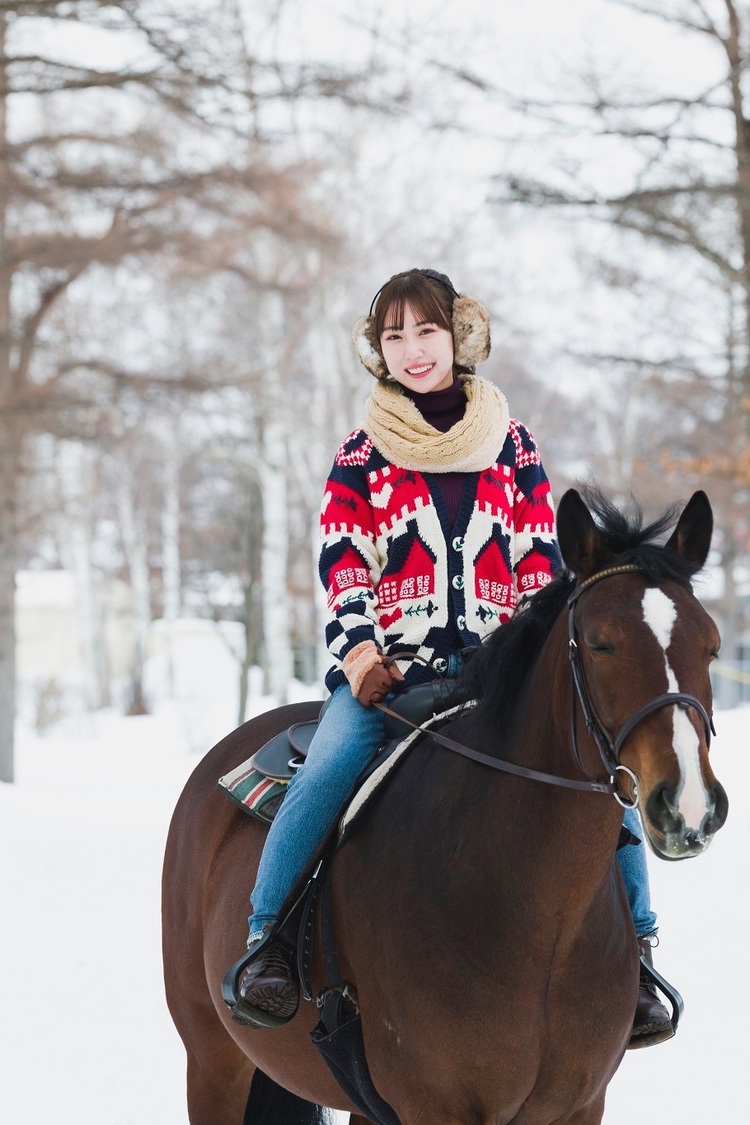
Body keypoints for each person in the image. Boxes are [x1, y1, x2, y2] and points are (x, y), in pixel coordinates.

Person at [232, 267, 670, 1043]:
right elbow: (343, 562)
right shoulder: (361, 455)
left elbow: (540, 569)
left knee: (604, 779)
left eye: (427, 330)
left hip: (495, 679)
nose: (413, 349)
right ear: (380, 350)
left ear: (459, 335)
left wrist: (534, 661)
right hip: (392, 680)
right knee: (329, 766)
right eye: (394, 335)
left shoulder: (514, 446)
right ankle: (267, 940)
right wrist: (361, 655)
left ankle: (637, 955)